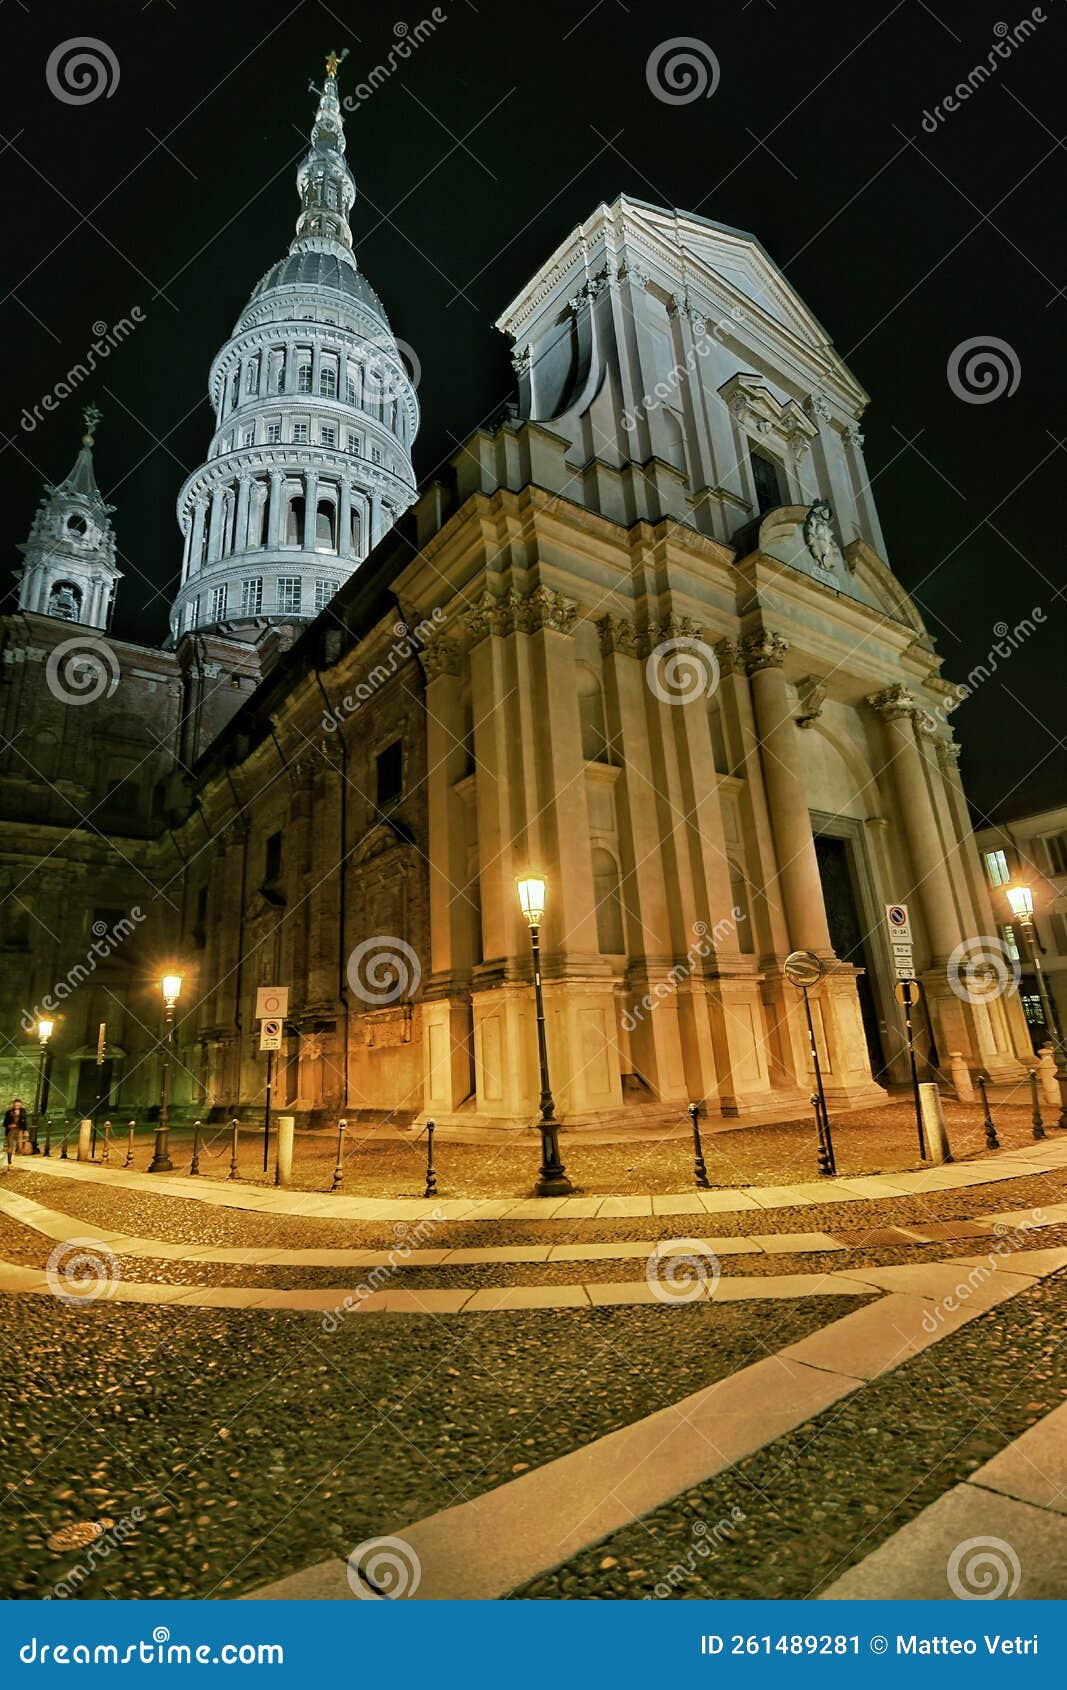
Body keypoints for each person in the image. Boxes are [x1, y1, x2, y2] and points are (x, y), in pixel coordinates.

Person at [3, 1099, 29, 1165]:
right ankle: (9, 1161)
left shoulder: (23, 1111)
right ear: (13, 1105)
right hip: (11, 1131)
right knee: (10, 1146)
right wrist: (10, 1125)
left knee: (20, 1147)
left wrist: (25, 1130)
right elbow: (5, 1124)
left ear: (20, 1105)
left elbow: (24, 1121)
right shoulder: (8, 1112)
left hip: (19, 1130)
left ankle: (18, 1156)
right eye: (16, 1105)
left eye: (19, 1105)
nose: (17, 1106)